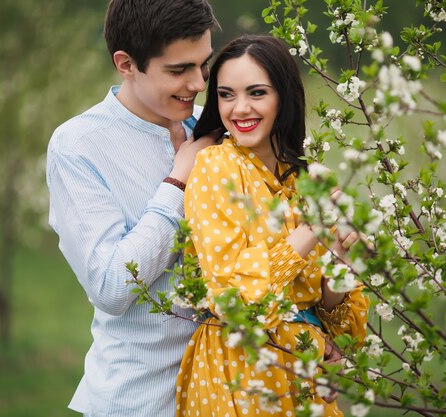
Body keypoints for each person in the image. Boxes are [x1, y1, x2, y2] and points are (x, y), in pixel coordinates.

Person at [176, 34, 370, 417]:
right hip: (237, 367)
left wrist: (341, 266)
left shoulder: (313, 178)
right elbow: (232, 299)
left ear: (284, 95)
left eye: (257, 93)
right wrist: (307, 231)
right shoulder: (217, 167)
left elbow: (335, 321)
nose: (240, 108)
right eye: (226, 94)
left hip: (304, 370)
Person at [45, 1, 219, 416]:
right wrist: (177, 183)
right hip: (137, 402)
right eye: (178, 70)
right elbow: (111, 287)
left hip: (226, 395)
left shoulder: (216, 129)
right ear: (126, 63)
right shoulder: (78, 146)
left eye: (203, 65)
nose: (197, 83)